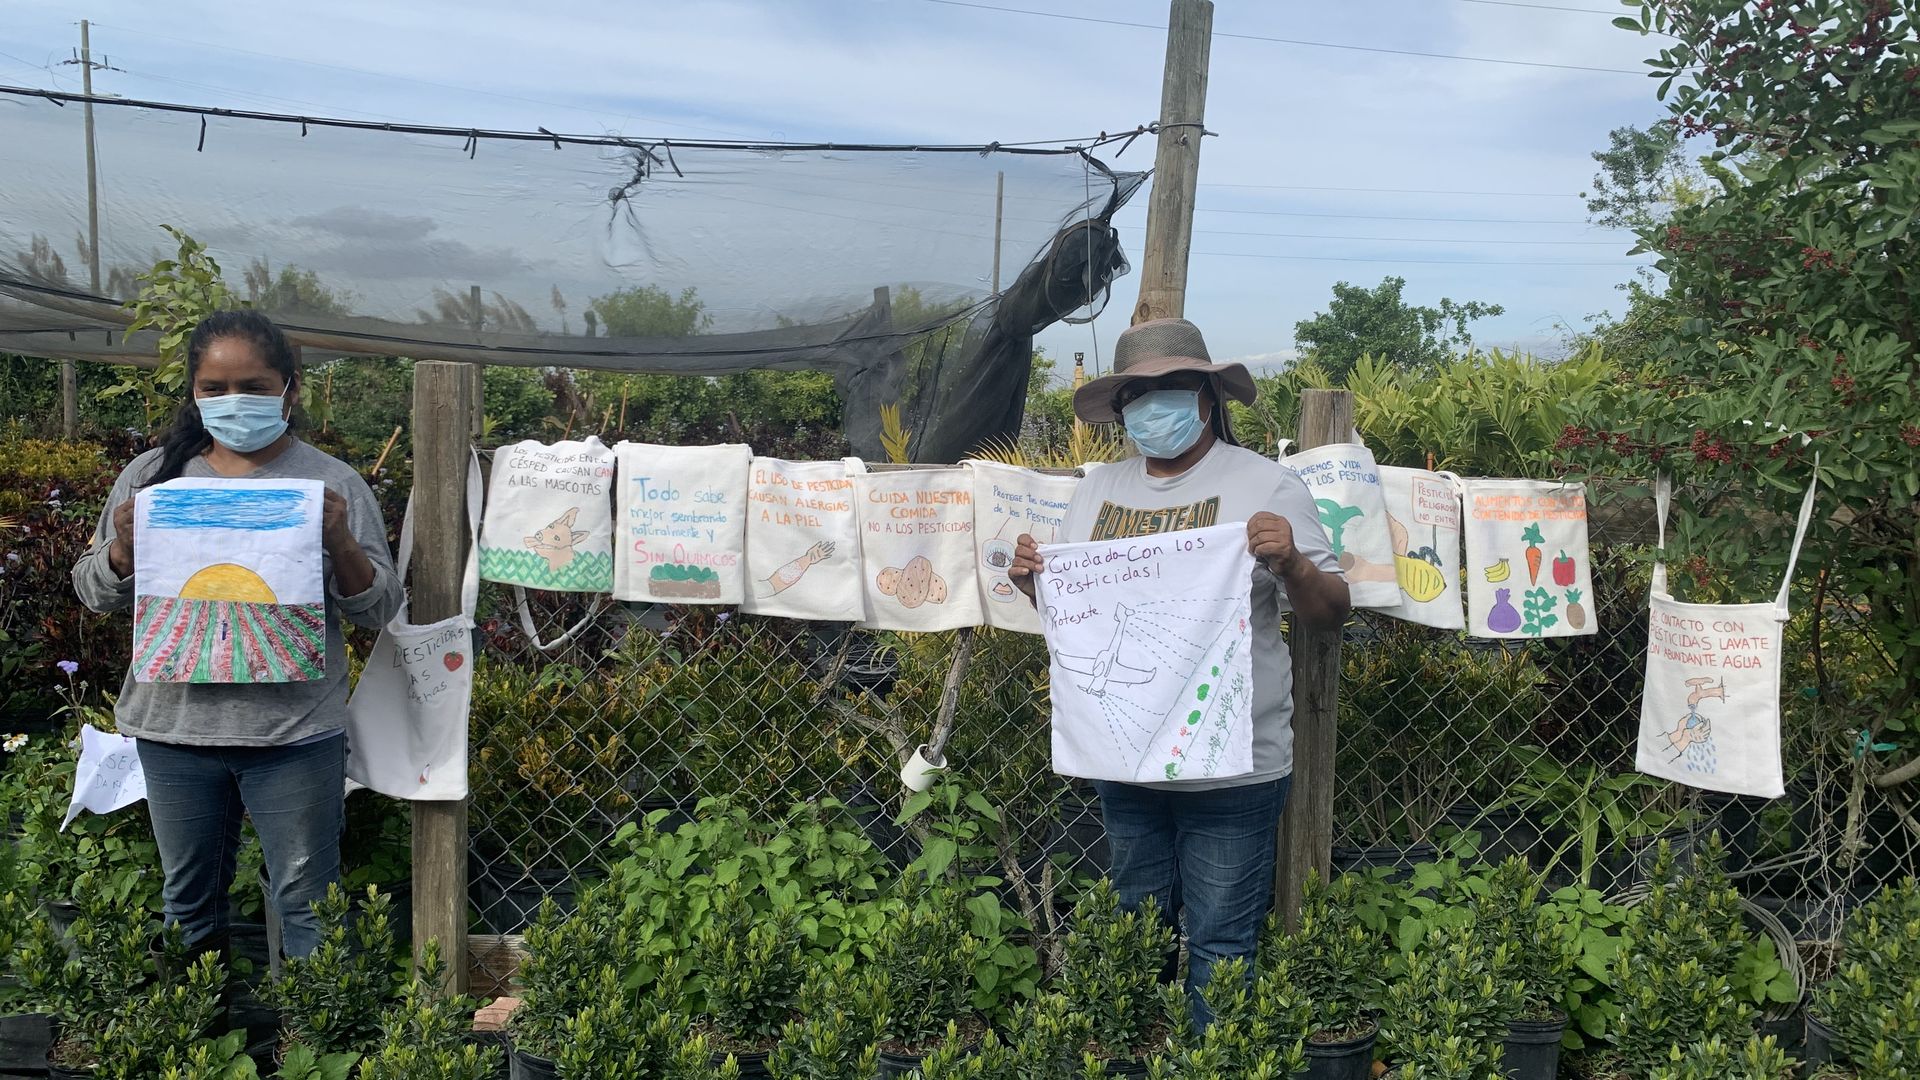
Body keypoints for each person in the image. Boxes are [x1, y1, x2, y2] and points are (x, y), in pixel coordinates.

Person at [1009, 317, 1350, 1024]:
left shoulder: (1267, 485)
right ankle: (1135, 1055)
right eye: (1138, 391)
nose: (1154, 403)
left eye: (1173, 386)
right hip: (1126, 756)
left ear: (1206, 395)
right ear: (1121, 406)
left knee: (1223, 942)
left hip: (1234, 764)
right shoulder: (1095, 489)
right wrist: (1032, 581)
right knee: (1135, 931)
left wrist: (1291, 563)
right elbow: (1080, 613)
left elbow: (1330, 614)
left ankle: (1214, 1062)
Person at [72, 310, 402, 961]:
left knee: (309, 903)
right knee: (188, 902)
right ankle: (201, 1042)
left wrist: (338, 540)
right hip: (175, 734)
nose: (233, 402)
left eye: (252, 385)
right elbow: (91, 589)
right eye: (214, 388)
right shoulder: (150, 479)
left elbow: (379, 608)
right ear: (194, 392)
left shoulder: (330, 484)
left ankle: (310, 1052)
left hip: (293, 735)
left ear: (290, 388)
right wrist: (122, 548)